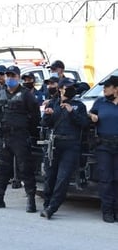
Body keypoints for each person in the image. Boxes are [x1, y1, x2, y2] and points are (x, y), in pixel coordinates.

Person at [0, 65, 40, 212]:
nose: (10, 78)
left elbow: (35, 117)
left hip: (20, 136)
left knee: (25, 168)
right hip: (3, 136)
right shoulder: (0, 93)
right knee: (3, 168)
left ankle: (31, 200)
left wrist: (28, 132)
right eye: (8, 76)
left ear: (18, 78)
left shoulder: (26, 94)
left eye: (13, 76)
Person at [40, 78, 89, 219]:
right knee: (50, 176)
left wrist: (71, 111)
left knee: (63, 178)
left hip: (71, 145)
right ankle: (47, 204)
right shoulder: (53, 103)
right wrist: (48, 115)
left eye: (72, 87)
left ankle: (52, 208)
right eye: (68, 87)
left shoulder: (78, 105)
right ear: (61, 89)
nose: (71, 89)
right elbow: (44, 123)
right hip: (54, 144)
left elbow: (84, 123)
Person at [88, 75, 118, 223]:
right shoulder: (100, 102)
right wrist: (91, 115)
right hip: (104, 145)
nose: (104, 89)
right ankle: (107, 211)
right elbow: (89, 115)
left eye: (107, 86)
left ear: (116, 89)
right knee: (106, 179)